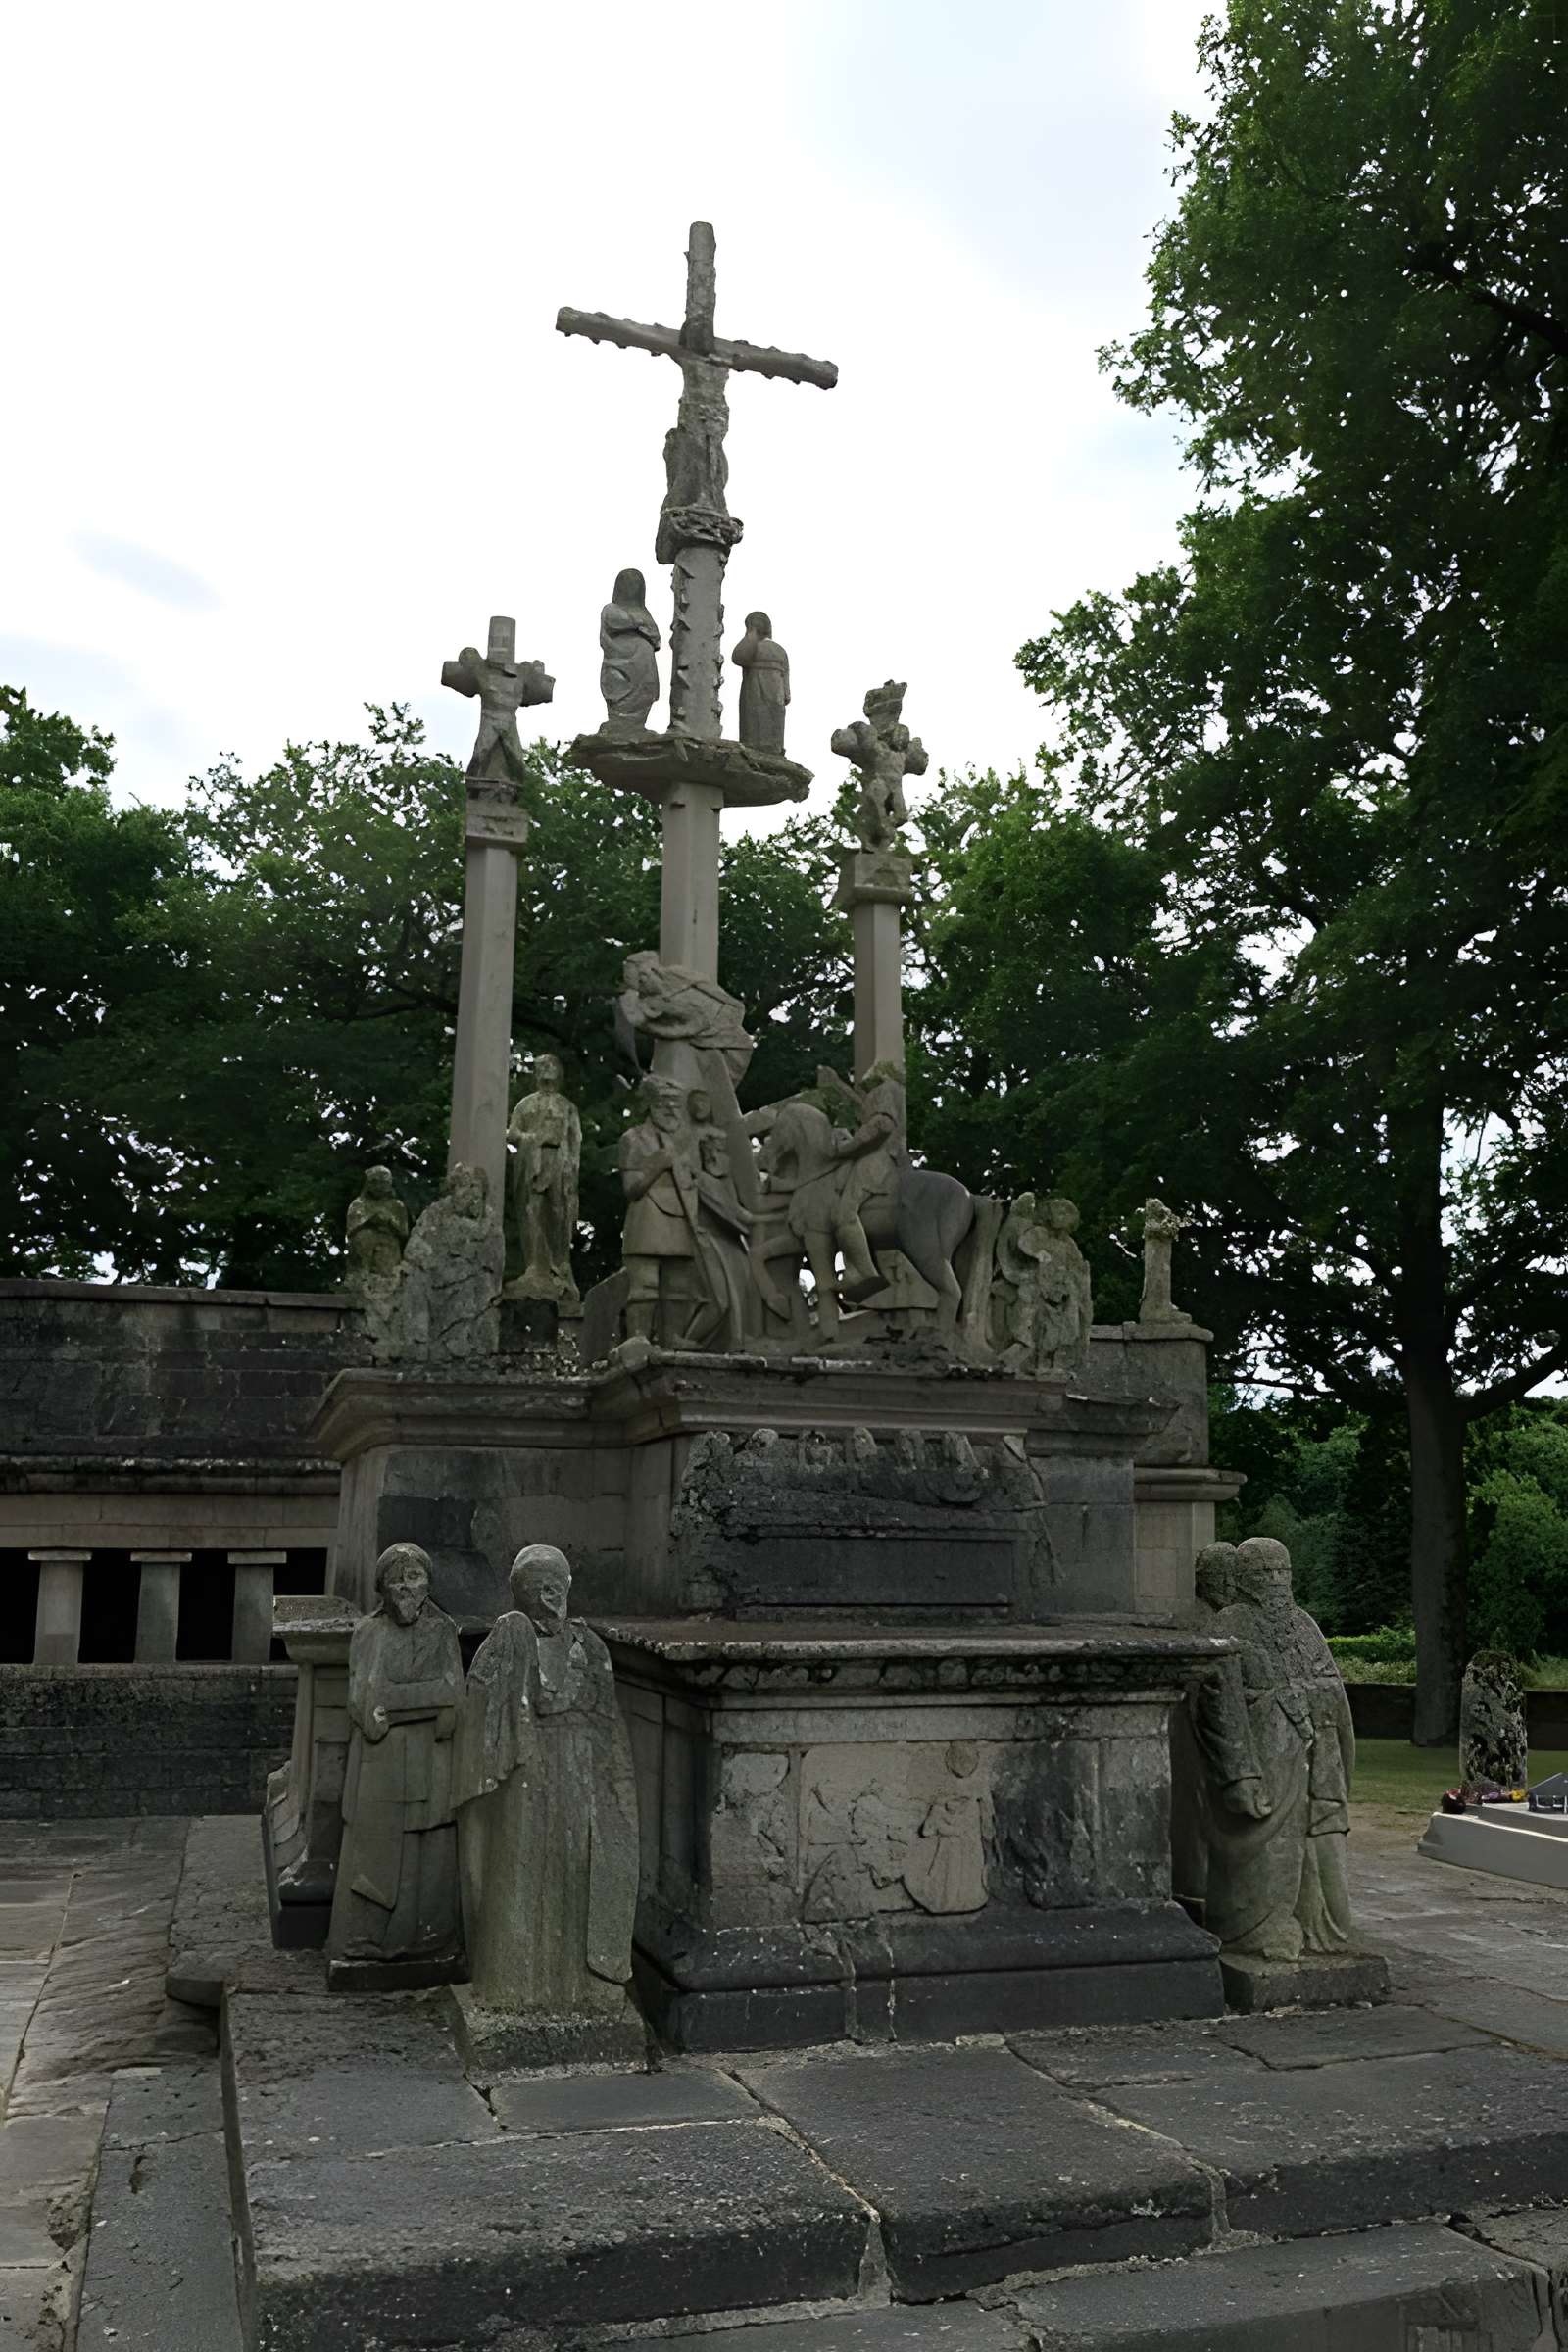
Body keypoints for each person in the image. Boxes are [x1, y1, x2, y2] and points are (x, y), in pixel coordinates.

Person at [455, 1544, 639, 2022]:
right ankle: (513, 1983)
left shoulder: (590, 1646)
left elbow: (607, 1719)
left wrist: (611, 1786)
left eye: (556, 1580)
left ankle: (578, 1984)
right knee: (520, 1873)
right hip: (525, 1776)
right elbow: (480, 1710)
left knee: (575, 1871)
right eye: (538, 1583)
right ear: (521, 1592)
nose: (550, 1591)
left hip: (580, 1777)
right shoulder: (507, 1639)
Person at [327, 1544, 465, 1973]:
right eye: (398, 1579)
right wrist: (413, 1703)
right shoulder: (370, 1632)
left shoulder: (443, 1630)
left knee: (428, 1847)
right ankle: (367, 1939)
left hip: (429, 1758)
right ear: (382, 1587)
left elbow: (453, 1698)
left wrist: (401, 1703)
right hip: (382, 1766)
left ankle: (427, 1938)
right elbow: (366, 1702)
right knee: (377, 1854)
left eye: (416, 1577)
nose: (408, 1588)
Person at [506, 1054, 581, 1304]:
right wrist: (533, 1138)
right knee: (531, 1211)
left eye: (550, 1067)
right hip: (533, 1162)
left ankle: (561, 1265)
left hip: (560, 1162)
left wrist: (571, 1167)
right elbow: (512, 1133)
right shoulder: (526, 1104)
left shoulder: (568, 1107)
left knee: (560, 1212)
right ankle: (534, 1265)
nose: (545, 1072)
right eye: (540, 1068)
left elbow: (575, 1140)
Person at [599, 568, 662, 731]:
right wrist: (638, 624)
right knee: (619, 690)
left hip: (643, 663)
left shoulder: (644, 612)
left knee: (644, 692)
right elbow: (616, 622)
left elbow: (656, 637)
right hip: (619, 661)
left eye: (636, 584)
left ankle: (637, 725)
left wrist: (639, 624)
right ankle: (620, 722)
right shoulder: (611, 608)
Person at [731, 612, 790, 753]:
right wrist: (785, 693)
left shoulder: (752, 646)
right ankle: (775, 749)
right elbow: (787, 692)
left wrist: (751, 634)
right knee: (773, 732)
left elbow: (737, 657)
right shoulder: (781, 650)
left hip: (754, 694)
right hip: (776, 699)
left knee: (753, 728)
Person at [345, 1166, 408, 1283]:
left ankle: (387, 1281)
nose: (379, 1186)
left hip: (388, 1244)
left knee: (388, 1249)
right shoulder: (359, 1204)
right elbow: (351, 1230)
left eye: (384, 1183)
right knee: (363, 1237)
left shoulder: (397, 1205)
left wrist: (389, 1222)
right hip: (365, 1245)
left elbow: (403, 1232)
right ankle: (361, 1277)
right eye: (375, 1182)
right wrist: (369, 1221)